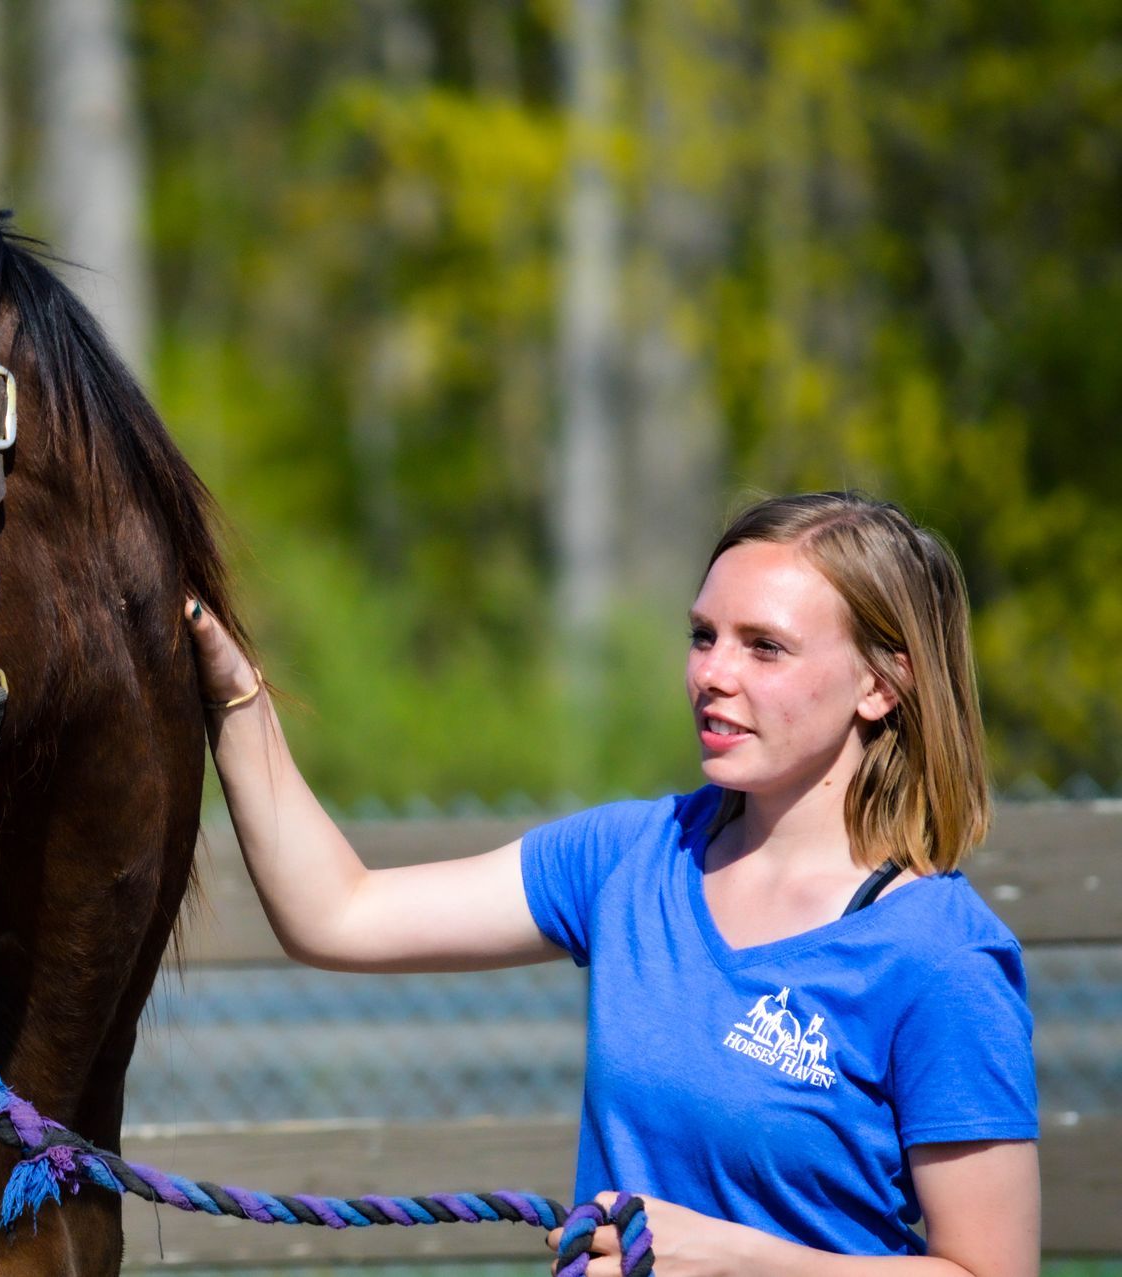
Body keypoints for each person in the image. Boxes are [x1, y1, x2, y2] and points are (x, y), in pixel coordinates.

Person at [183, 492, 1039, 1276]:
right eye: (703, 635)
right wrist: (238, 699)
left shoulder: (940, 957)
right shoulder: (634, 854)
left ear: (882, 684)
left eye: (764, 646)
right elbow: (338, 913)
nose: (713, 673)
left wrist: (736, 1260)